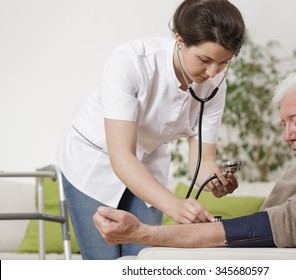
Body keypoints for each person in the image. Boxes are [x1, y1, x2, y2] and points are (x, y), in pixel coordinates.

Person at [93, 69, 296, 249]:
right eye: (284, 125)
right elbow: (262, 223)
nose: (287, 136)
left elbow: (265, 229)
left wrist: (143, 233)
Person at [57, 0, 246, 259]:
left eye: (224, 63)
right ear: (180, 40)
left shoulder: (215, 87)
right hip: (95, 159)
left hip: (148, 160)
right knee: (103, 263)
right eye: (205, 59)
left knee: (143, 260)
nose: (213, 72)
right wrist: (176, 206)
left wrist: (215, 180)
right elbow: (122, 156)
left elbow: (202, 163)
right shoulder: (131, 61)